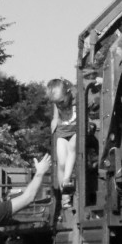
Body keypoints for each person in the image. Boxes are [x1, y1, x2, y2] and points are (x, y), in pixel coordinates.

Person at [47, 78, 77, 208]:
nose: (60, 105)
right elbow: (56, 106)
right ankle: (65, 198)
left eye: (61, 101)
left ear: (69, 92)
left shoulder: (76, 95)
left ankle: (66, 180)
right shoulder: (58, 101)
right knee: (61, 163)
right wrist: (55, 118)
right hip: (62, 130)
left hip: (76, 129)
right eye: (56, 103)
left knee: (72, 147)